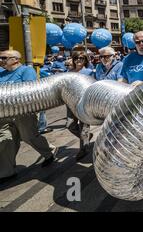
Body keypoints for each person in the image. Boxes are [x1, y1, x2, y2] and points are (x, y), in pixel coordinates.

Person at [0, 50, 57, 184]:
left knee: (28, 136)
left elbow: (30, 91)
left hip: (23, 112)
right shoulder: (1, 73)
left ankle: (49, 152)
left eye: (3, 57)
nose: (0, 60)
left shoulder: (26, 71)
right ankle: (6, 172)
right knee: (5, 139)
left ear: (15, 59)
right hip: (4, 114)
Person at [66, 51, 94, 160]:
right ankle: (87, 138)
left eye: (82, 58)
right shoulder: (69, 72)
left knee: (84, 128)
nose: (79, 60)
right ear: (73, 59)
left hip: (84, 102)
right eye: (77, 57)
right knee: (70, 125)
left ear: (85, 60)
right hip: (70, 102)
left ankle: (83, 149)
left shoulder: (89, 72)